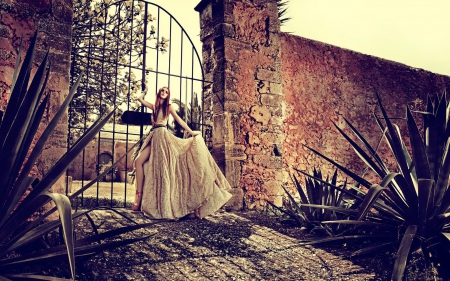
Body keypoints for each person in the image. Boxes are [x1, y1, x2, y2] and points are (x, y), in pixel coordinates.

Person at [131, 85, 232, 220]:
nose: (164, 93)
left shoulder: (168, 107)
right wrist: (145, 91)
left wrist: (191, 133)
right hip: (154, 136)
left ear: (168, 95)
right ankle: (138, 195)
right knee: (138, 161)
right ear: (159, 92)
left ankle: (159, 203)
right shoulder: (154, 106)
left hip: (162, 136)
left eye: (167, 92)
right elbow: (139, 99)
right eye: (162, 91)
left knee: (163, 170)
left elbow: (180, 121)